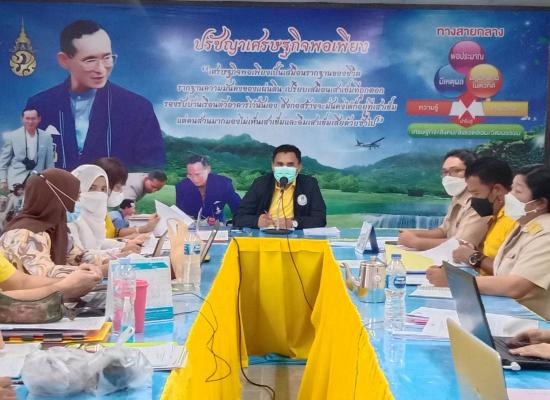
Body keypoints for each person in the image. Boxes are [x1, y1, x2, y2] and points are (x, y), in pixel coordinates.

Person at [25, 19, 165, 170]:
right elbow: (28, 162)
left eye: (107, 58)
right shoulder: (40, 105)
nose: (101, 69)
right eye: (90, 60)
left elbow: (152, 169)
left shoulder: (138, 108)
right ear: (64, 60)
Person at [428, 165, 550, 320]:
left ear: (540, 203)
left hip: (532, 322)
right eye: (512, 189)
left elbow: (516, 286)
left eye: (518, 191)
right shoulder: (523, 224)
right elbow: (503, 270)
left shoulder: (545, 234)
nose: (509, 196)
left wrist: (454, 281)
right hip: (507, 311)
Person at [0, 168, 103, 278]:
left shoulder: (55, 229)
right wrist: (87, 271)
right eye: (75, 197)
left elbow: (78, 257)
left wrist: (112, 258)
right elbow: (44, 274)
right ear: (56, 199)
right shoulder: (24, 234)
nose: (76, 203)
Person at [398, 149, 489, 250]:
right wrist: (412, 233)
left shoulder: (481, 202)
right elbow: (444, 231)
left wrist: (415, 242)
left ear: (473, 173)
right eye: (445, 172)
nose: (448, 177)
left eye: (456, 171)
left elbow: (462, 245)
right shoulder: (457, 196)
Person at [440, 157, 516, 276]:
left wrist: (473, 256)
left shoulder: (515, 220)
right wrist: (473, 250)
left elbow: (513, 273)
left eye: (476, 194)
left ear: (497, 190)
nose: (473, 201)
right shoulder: (496, 217)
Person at [233, 144, 326, 229]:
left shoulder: (309, 184)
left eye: (290, 165)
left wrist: (293, 223)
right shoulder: (261, 183)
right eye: (280, 164)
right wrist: (257, 221)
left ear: (299, 167)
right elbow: (238, 217)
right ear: (272, 165)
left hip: (295, 236)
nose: (284, 169)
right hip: (265, 235)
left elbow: (320, 219)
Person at [69, 164, 142, 260]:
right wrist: (120, 250)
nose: (98, 194)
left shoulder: (98, 216)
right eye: (91, 188)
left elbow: (99, 242)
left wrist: (125, 245)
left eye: (103, 189)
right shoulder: (70, 218)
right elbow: (78, 257)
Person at [95, 157, 158, 238]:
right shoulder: (85, 214)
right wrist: (125, 243)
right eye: (118, 187)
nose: (121, 191)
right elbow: (99, 243)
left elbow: (113, 233)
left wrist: (144, 229)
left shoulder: (101, 210)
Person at [0, 108, 54, 190]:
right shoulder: (13, 136)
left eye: (33, 118)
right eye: (27, 118)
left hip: (38, 182)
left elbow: (50, 163)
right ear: (22, 119)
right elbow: (3, 161)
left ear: (39, 119)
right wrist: (3, 180)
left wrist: (51, 180)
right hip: (16, 182)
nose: (30, 122)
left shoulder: (46, 137)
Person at [175, 155, 241, 222]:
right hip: (192, 223)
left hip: (217, 221)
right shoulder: (181, 187)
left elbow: (239, 209)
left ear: (208, 169)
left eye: (197, 174)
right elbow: (180, 213)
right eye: (190, 175)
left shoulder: (224, 184)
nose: (194, 179)